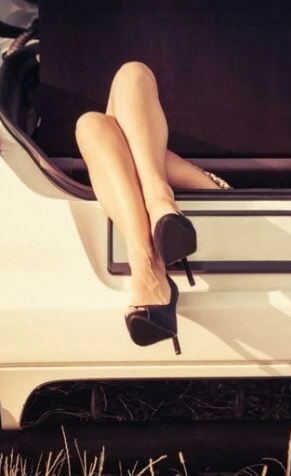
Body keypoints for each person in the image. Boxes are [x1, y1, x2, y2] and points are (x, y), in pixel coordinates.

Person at [74, 61, 231, 356]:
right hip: (195, 186)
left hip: (211, 192)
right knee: (94, 121)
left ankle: (146, 265)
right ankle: (159, 202)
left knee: (126, 82)